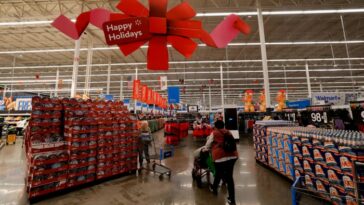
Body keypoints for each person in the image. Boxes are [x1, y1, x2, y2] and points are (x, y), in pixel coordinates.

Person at [206, 120, 238, 205]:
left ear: (215, 126)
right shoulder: (228, 132)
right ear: (223, 125)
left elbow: (207, 145)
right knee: (229, 178)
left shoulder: (214, 133)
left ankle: (214, 189)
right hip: (233, 156)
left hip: (220, 156)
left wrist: (207, 148)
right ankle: (232, 199)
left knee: (219, 173)